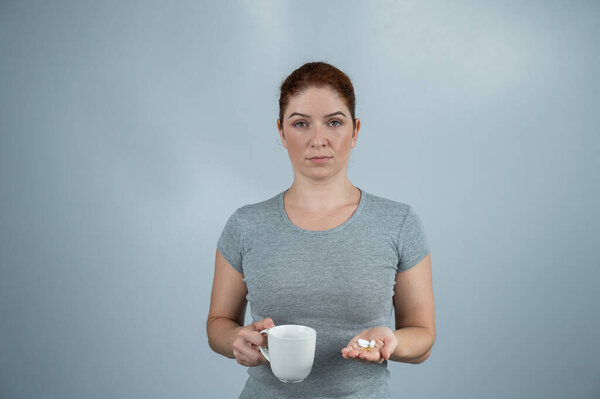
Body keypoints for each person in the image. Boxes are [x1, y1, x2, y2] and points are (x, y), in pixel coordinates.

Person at [207, 61, 435, 398]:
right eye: (300, 123)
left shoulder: (399, 222)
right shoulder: (245, 224)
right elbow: (218, 324)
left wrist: (393, 341)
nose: (318, 140)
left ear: (355, 131)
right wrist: (235, 340)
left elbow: (423, 336)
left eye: (334, 122)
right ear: (282, 132)